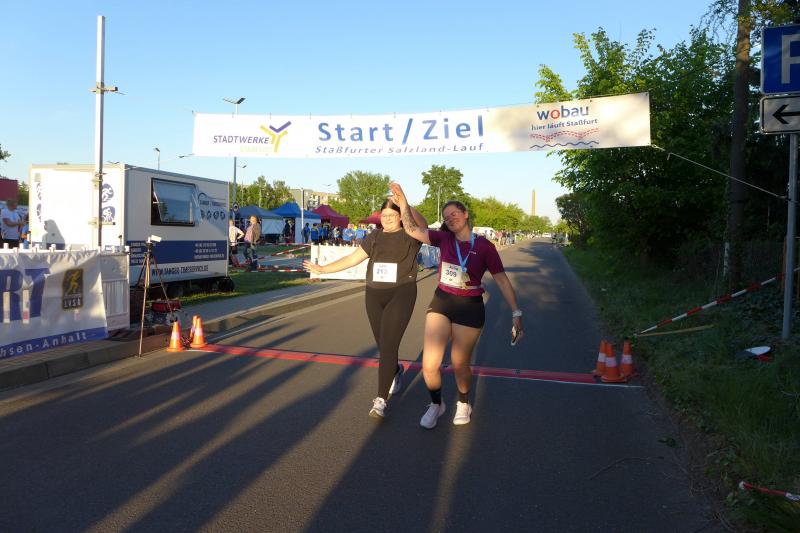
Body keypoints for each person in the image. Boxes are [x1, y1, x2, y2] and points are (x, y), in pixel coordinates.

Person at [390, 182, 523, 429]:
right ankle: (436, 404)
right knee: (429, 365)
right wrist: (404, 202)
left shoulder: (484, 246)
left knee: (459, 363)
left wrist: (516, 312)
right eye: (446, 217)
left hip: (470, 306)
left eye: (454, 214)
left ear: (465, 214)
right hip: (443, 301)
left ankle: (463, 401)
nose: (450, 219)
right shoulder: (443, 238)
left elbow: (502, 280)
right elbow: (410, 229)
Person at [303, 199, 427, 419]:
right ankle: (396, 370)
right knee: (383, 344)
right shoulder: (374, 236)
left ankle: (380, 400)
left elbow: (423, 225)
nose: (387, 219)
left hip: (401, 293)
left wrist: (404, 202)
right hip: (374, 295)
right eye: (384, 215)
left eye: (392, 215)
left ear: (400, 216)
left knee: (388, 345)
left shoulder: (410, 235)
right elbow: (353, 258)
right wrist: (323, 269)